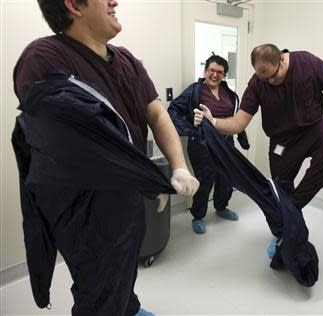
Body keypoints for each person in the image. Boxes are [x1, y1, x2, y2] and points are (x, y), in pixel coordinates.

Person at [13, 0, 198, 315]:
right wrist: (146, 179)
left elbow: (154, 111)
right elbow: (69, 138)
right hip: (87, 211)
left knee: (124, 269)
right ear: (73, 5)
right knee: (98, 292)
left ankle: (129, 307)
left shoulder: (126, 60)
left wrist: (178, 167)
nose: (115, 1)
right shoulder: (45, 57)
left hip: (128, 196)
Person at [193, 44, 323, 256]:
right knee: (279, 189)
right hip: (282, 140)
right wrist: (214, 122)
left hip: (315, 126)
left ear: (282, 60)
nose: (270, 82)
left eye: (273, 77)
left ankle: (293, 206)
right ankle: (281, 232)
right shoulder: (258, 83)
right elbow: (239, 123)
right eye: (264, 79)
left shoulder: (307, 63)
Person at [168, 55, 250, 234]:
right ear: (205, 71)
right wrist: (190, 129)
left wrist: (243, 140)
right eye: (212, 70)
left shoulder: (230, 94)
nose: (215, 75)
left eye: (220, 72)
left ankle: (221, 207)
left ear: (224, 75)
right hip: (202, 146)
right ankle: (198, 215)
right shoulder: (195, 91)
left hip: (227, 145)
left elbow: (236, 119)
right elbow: (172, 110)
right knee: (205, 181)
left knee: (227, 178)